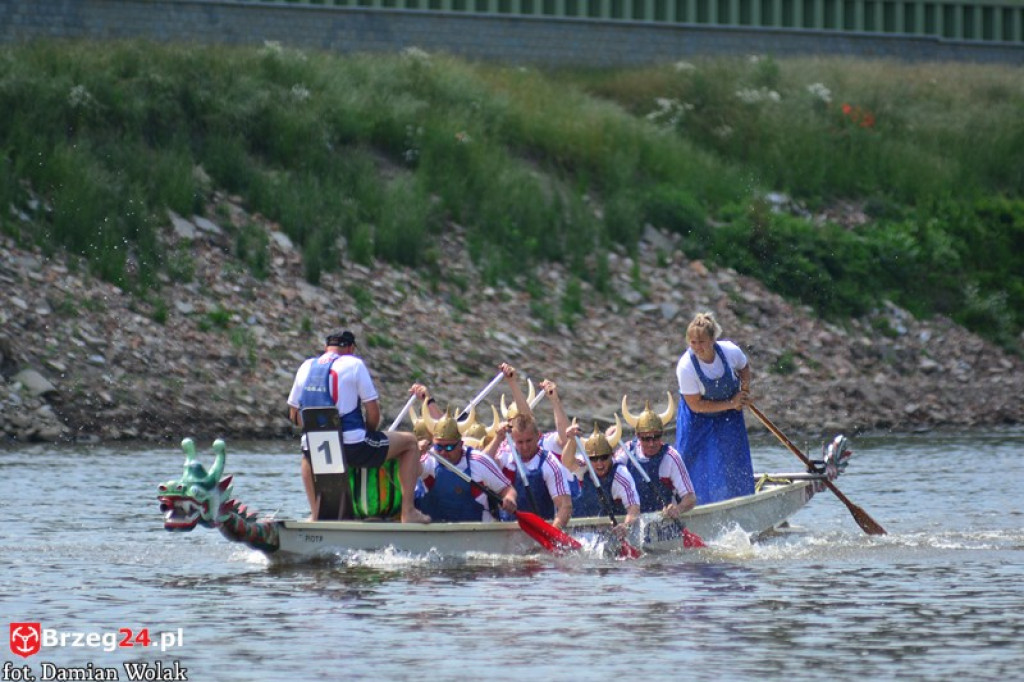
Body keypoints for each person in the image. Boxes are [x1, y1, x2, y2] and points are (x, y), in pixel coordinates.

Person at [286, 330, 430, 523]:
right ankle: (409, 512)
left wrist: (321, 428)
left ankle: (316, 516)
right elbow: (373, 411)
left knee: (306, 455)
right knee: (411, 443)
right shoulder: (355, 364)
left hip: (316, 448)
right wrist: (370, 434)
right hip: (354, 446)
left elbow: (294, 415)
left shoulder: (306, 366)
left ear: (325, 348)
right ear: (351, 348)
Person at [674, 312, 754, 504]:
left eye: (701, 342)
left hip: (729, 415)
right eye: (693, 342)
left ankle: (738, 500)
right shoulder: (686, 367)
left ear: (712, 339)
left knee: (732, 457)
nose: (697, 347)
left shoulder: (729, 351)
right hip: (696, 417)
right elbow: (696, 404)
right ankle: (689, 503)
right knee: (693, 459)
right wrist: (731, 403)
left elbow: (744, 368)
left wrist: (744, 390)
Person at [416, 407, 517, 522]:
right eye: (439, 447)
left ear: (460, 444)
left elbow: (507, 489)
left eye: (449, 447)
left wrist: (510, 498)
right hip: (438, 532)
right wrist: (415, 454)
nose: (443, 452)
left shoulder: (478, 461)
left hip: (477, 532)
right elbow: (411, 471)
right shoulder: (429, 460)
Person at [561, 421, 641, 539]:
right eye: (594, 458)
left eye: (604, 457)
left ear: (612, 455)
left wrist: (626, 526)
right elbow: (567, 462)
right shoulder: (586, 466)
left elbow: (634, 507)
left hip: (615, 531)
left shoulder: (621, 474)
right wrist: (572, 440)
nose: (599, 463)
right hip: (589, 531)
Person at [620, 394, 697, 517]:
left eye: (656, 437)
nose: (651, 443)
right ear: (638, 436)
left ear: (662, 434)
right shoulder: (627, 450)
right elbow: (600, 468)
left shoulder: (671, 457)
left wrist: (678, 509)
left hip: (663, 519)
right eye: (646, 438)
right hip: (633, 519)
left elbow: (690, 497)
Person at [494, 412, 574, 530]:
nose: (525, 447)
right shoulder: (505, 454)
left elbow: (565, 506)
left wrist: (552, 533)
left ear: (538, 436)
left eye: (529, 441)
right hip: (507, 530)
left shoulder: (549, 463)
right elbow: (481, 465)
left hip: (540, 529)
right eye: (520, 442)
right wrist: (497, 439)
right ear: (513, 440)